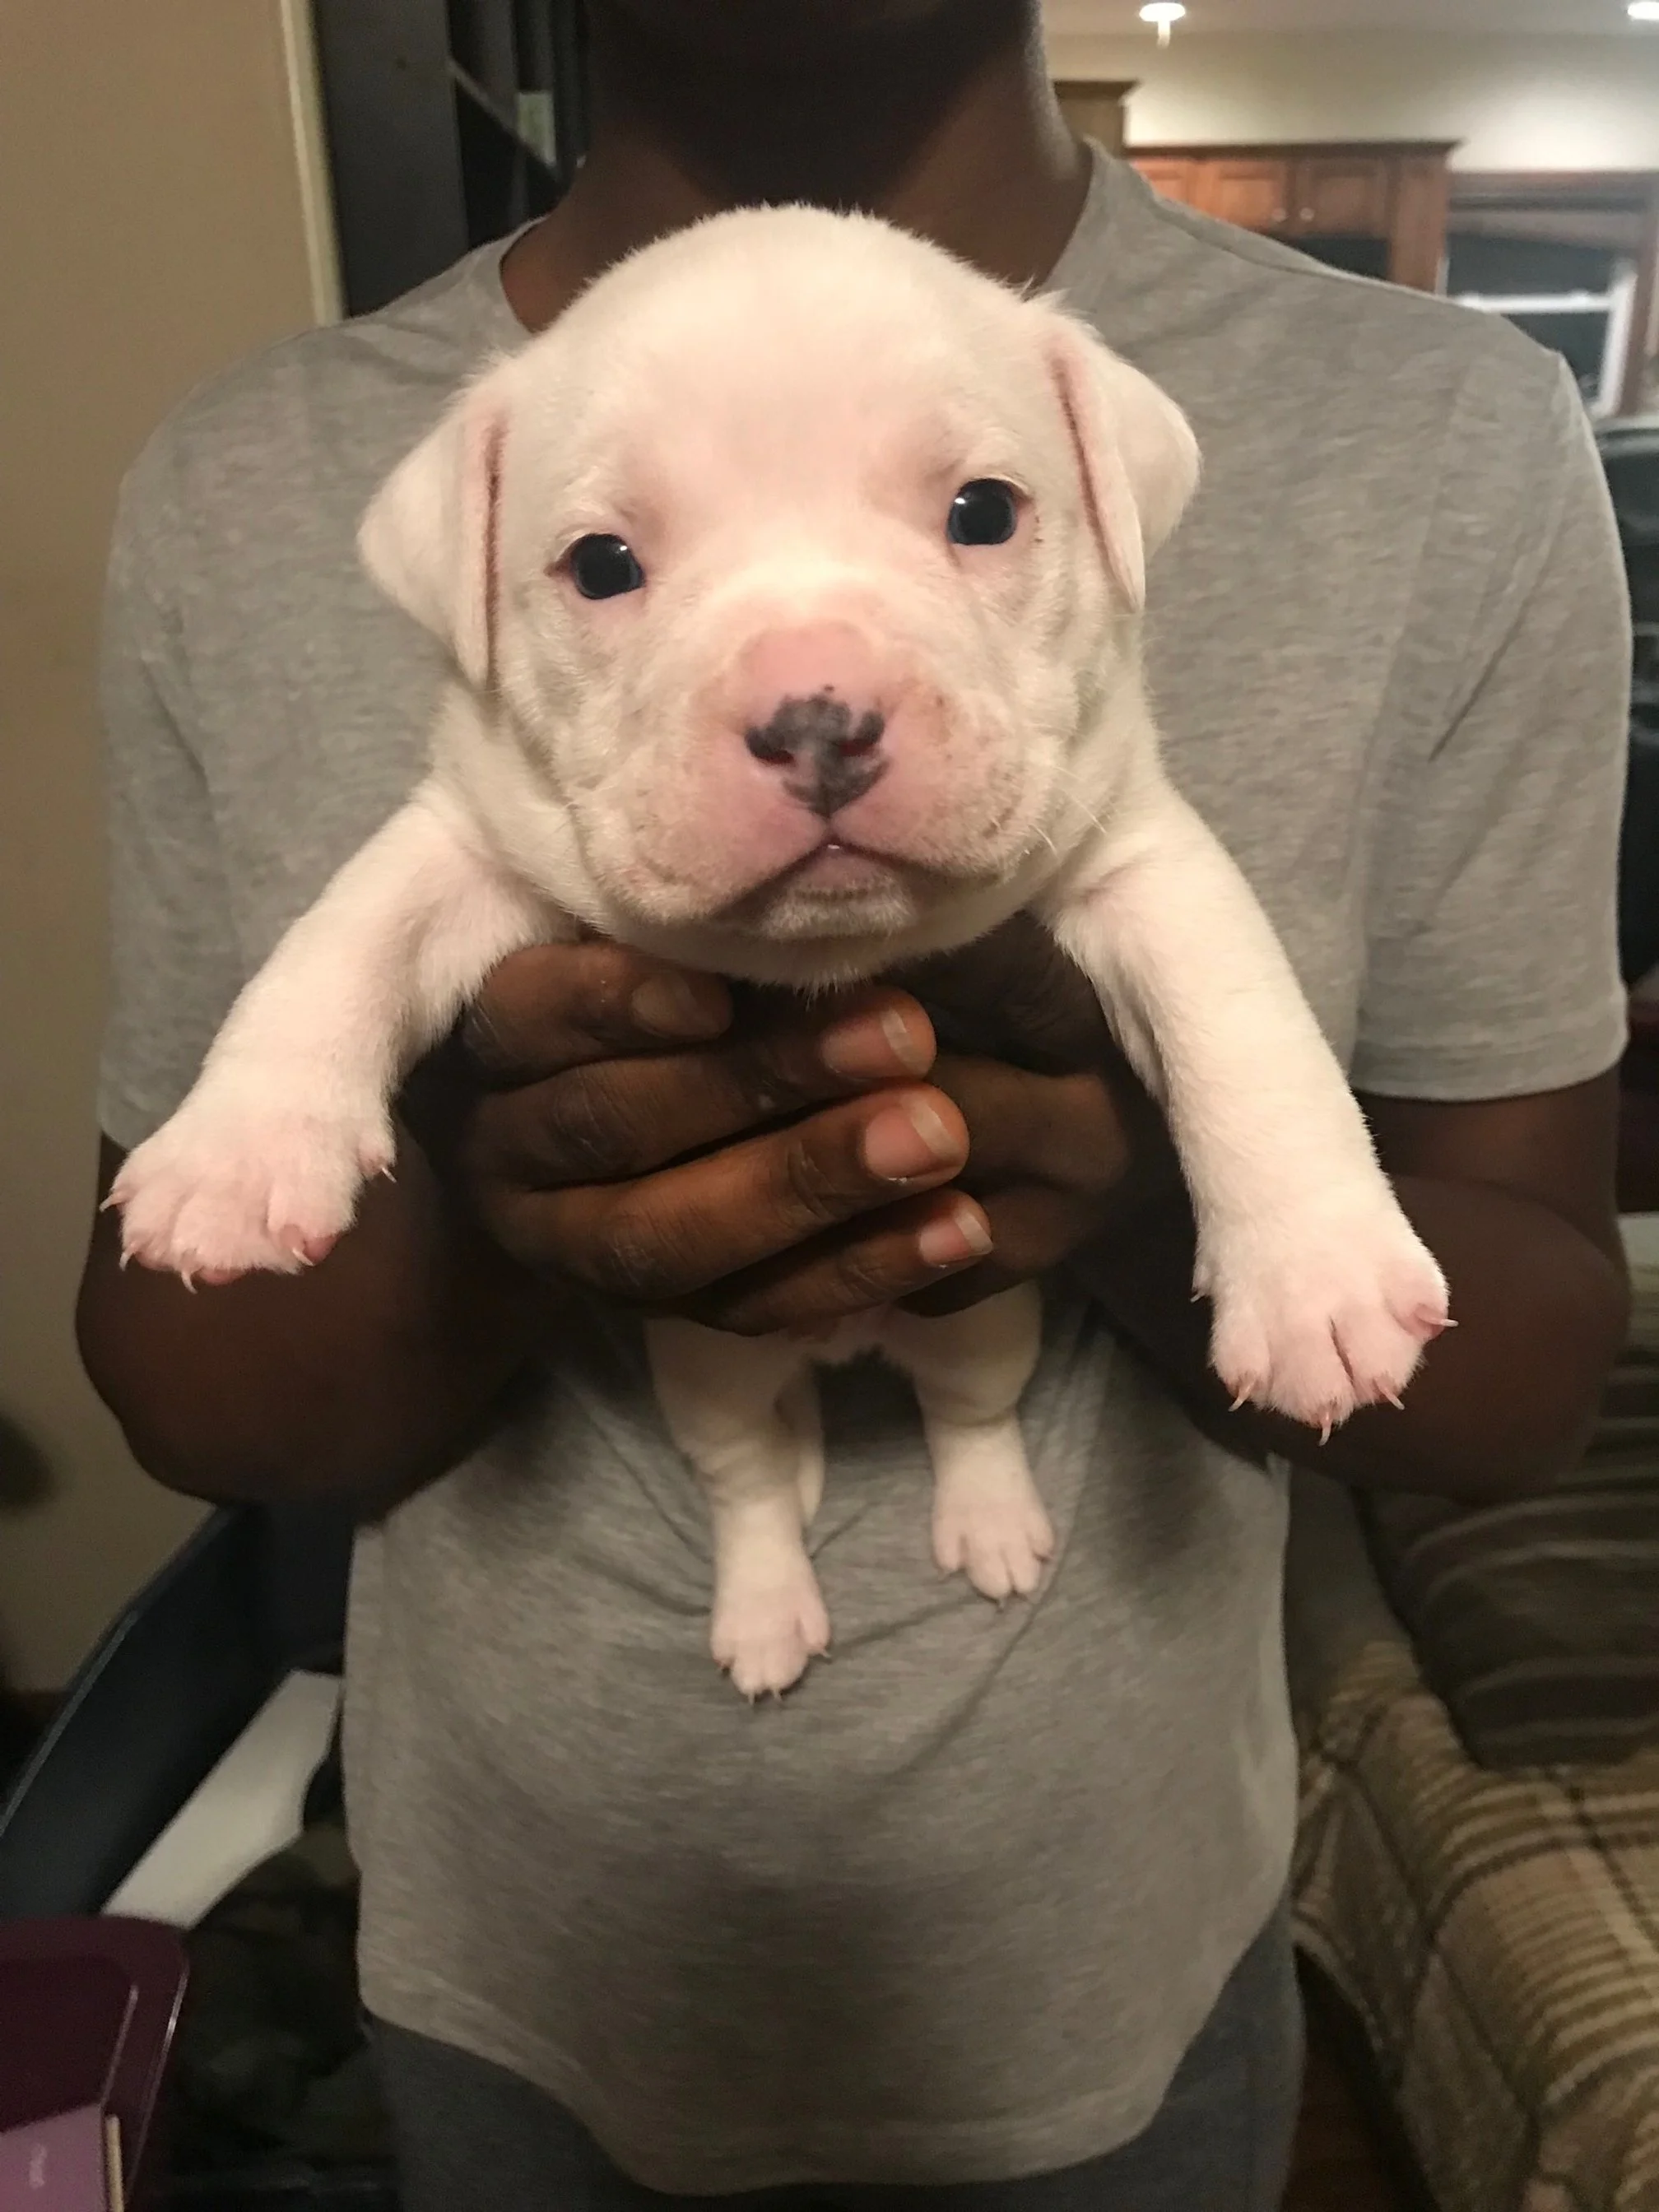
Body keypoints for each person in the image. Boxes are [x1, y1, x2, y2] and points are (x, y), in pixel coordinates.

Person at [76, 3, 1633, 2206]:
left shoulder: (1446, 446)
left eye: (975, 516)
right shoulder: (255, 482)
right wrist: (460, 1187)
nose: (812, 700)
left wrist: (1150, 1175)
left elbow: (1508, 1366)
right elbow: (189, 1333)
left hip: (1128, 1961)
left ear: (1102, 497)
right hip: (524, 1956)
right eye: (616, 568)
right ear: (494, 566)